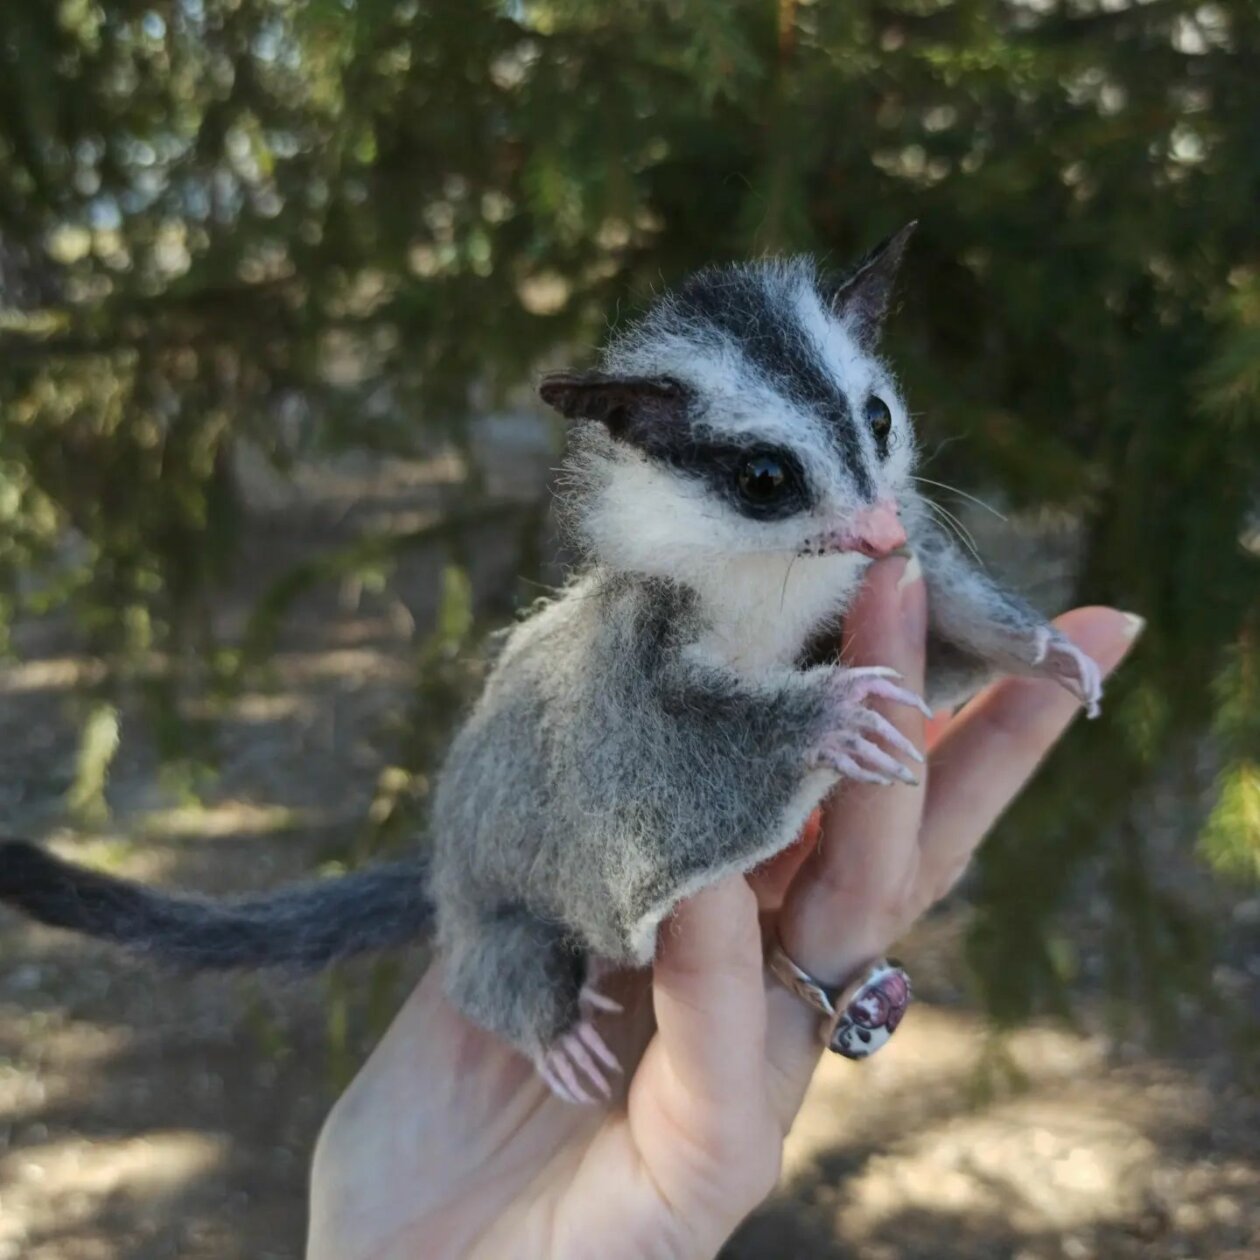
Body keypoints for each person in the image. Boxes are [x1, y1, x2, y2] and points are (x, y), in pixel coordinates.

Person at [305, 556, 1142, 1260]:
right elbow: (667, 735)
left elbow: (923, 581)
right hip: (535, 867)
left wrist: (1020, 641)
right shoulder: (641, 617)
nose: (871, 524)